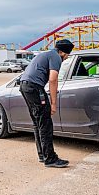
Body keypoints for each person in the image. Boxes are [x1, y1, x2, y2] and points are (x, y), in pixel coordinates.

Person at [20, 39, 74, 168]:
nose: (66, 59)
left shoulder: (45, 54)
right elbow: (53, 79)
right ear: (62, 52)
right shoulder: (56, 57)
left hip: (25, 86)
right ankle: (50, 159)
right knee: (45, 123)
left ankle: (43, 155)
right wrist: (54, 103)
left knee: (38, 123)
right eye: (67, 55)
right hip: (34, 88)